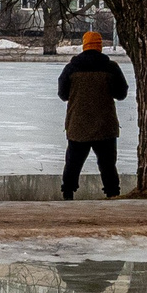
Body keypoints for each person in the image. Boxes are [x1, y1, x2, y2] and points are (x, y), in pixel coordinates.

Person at [57, 30, 128, 198]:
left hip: (78, 124)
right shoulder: (111, 67)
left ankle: (68, 193)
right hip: (105, 125)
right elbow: (121, 93)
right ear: (100, 46)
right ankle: (112, 194)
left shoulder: (71, 68)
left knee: (73, 163)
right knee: (107, 164)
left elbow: (62, 94)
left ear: (84, 45)